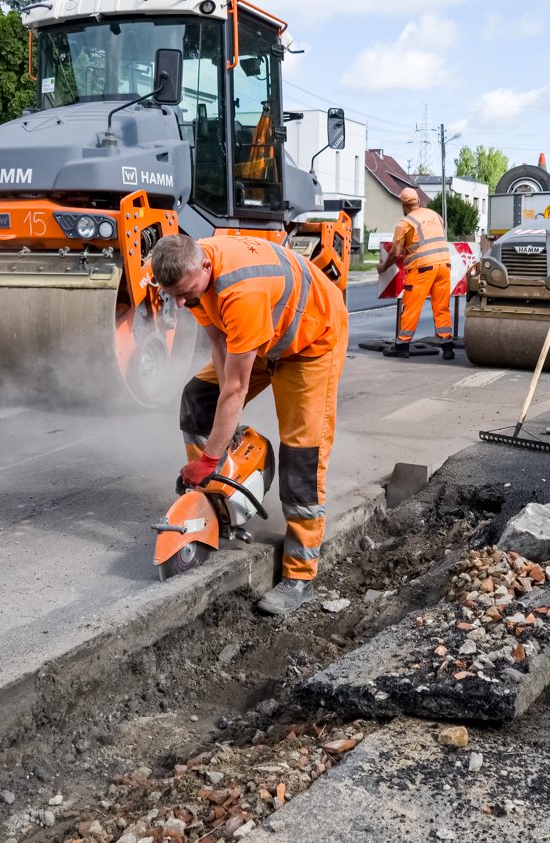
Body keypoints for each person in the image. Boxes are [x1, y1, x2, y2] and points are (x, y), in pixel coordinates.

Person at [150, 234, 348, 615]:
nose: (179, 301)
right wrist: (219, 441)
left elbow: (237, 388)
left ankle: (299, 575)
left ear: (205, 267)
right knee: (199, 398)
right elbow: (221, 346)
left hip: (310, 345)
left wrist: (209, 456)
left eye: (184, 292)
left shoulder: (241, 291)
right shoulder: (192, 276)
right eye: (171, 294)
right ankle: (213, 500)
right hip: (260, 338)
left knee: (302, 455)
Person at [376, 187, 454, 359]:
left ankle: (402, 345)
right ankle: (447, 346)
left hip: (422, 268)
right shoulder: (435, 216)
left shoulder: (404, 224)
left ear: (402, 205)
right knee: (442, 307)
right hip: (443, 264)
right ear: (418, 201)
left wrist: (383, 267)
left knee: (412, 307)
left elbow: (395, 253)